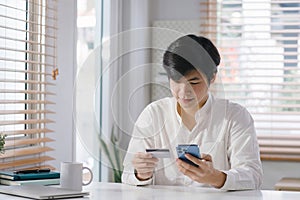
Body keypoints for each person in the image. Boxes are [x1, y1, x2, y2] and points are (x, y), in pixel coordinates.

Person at [121, 34, 263, 190]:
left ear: (213, 77)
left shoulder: (235, 116)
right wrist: (141, 174)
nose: (183, 92)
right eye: (176, 81)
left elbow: (253, 175)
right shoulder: (154, 114)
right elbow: (127, 174)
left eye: (194, 82)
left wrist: (216, 177)